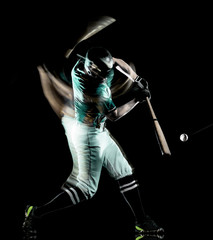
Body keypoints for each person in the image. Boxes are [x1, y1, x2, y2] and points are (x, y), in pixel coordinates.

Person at [22, 47, 164, 240]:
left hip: (99, 131)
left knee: (124, 171)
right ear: (90, 67)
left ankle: (141, 221)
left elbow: (117, 60)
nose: (102, 76)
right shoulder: (92, 86)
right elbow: (114, 115)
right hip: (88, 136)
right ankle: (36, 213)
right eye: (98, 71)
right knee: (87, 189)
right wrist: (137, 99)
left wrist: (136, 79)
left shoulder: (95, 62)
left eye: (104, 71)